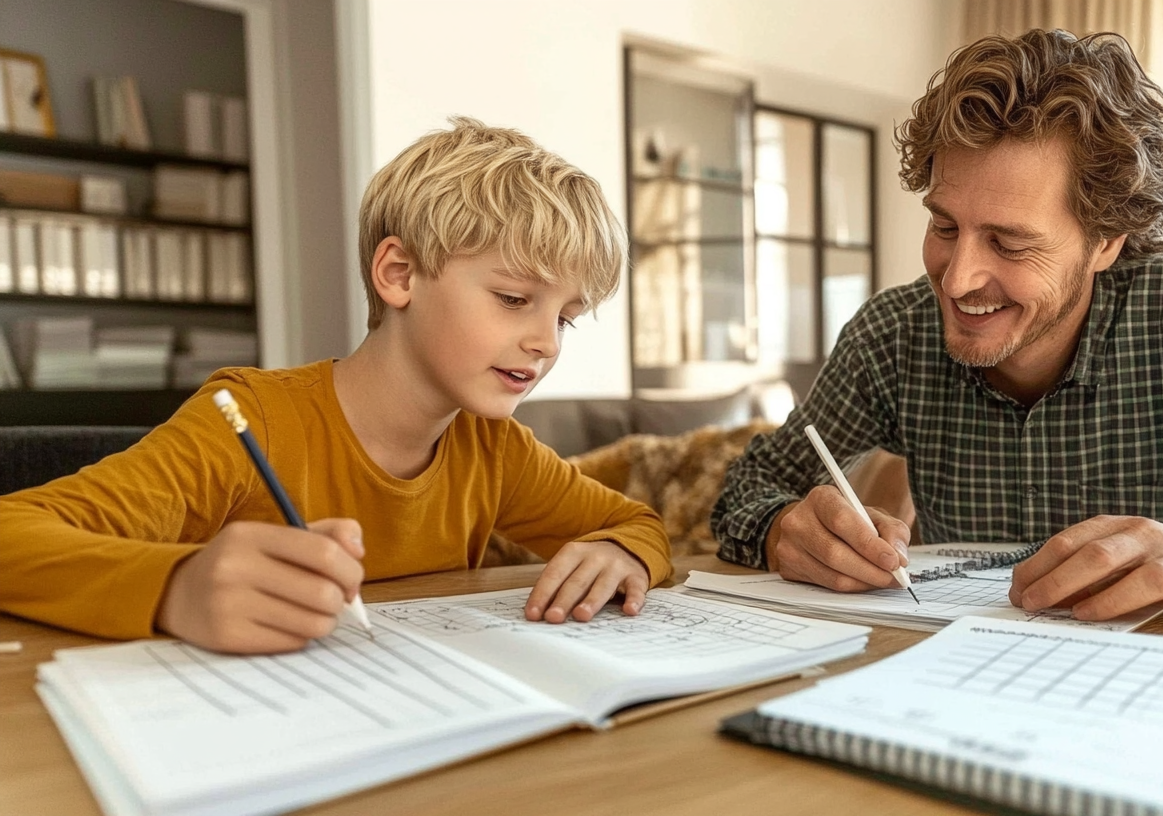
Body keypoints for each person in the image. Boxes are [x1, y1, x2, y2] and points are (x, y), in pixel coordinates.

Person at [712, 29, 1163, 618]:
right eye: (944, 225)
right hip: (939, 675)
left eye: (1008, 241)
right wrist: (784, 528)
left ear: (1106, 241)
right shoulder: (892, 334)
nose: (959, 277)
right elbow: (746, 491)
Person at [0, 118, 673, 653]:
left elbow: (635, 522)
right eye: (512, 298)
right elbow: (11, 533)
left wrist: (624, 554)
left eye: (566, 318)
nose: (547, 342)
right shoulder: (251, 419)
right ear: (400, 273)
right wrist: (176, 586)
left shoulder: (497, 451)